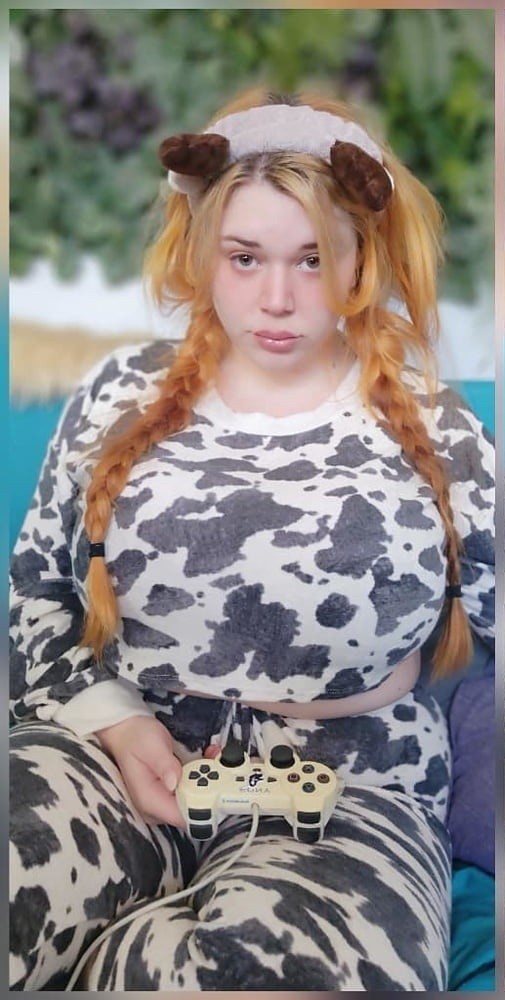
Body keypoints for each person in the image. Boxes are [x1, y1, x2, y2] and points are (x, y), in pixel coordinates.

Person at [9, 86, 494, 991]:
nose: (277, 298)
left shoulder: (441, 430)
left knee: (249, 974)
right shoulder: (117, 394)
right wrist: (114, 722)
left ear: (360, 258)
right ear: (202, 252)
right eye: (245, 257)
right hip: (117, 754)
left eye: (312, 259)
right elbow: (36, 590)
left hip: (350, 790)